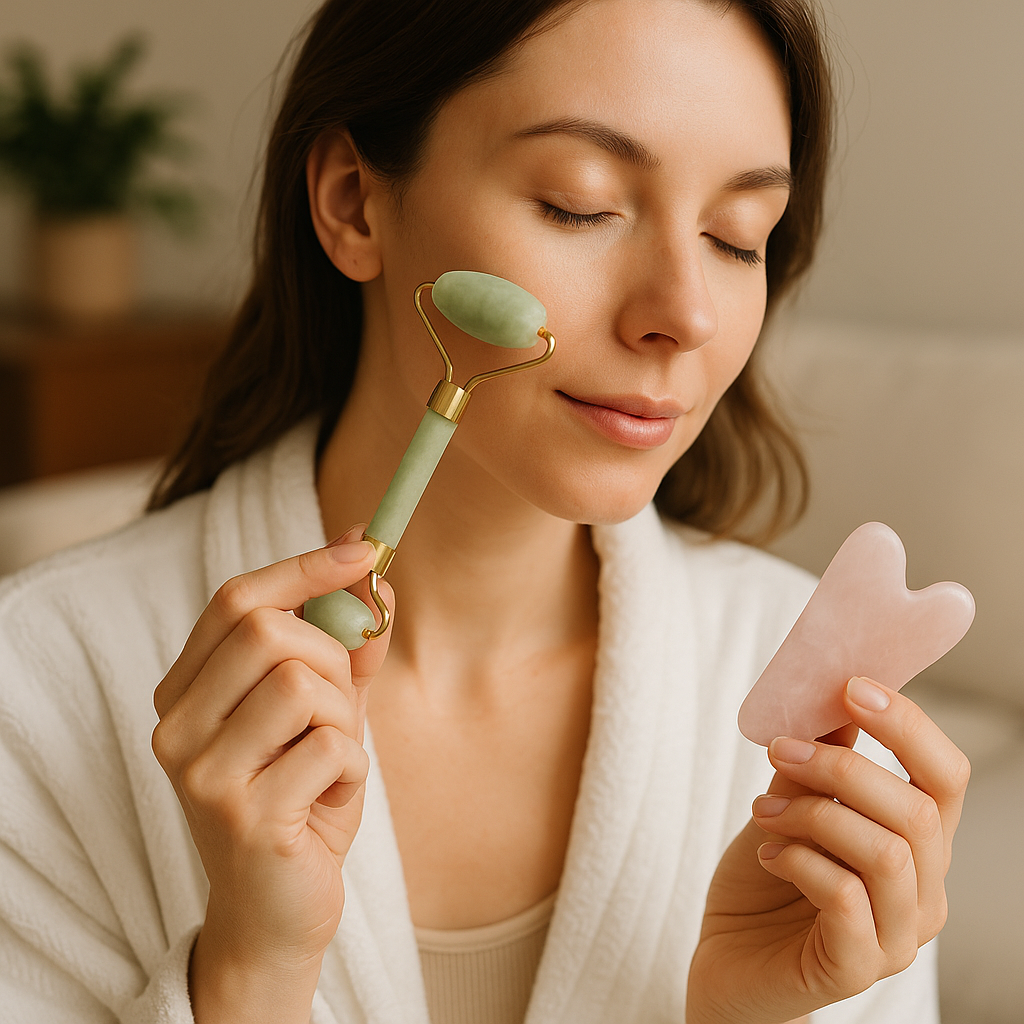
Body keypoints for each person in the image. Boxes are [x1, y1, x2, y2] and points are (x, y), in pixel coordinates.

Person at [0, 1, 969, 1022]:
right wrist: (250, 973)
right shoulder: (38, 684)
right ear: (353, 203)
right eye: (578, 205)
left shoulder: (815, 711)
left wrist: (743, 1016)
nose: (684, 313)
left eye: (738, 238)